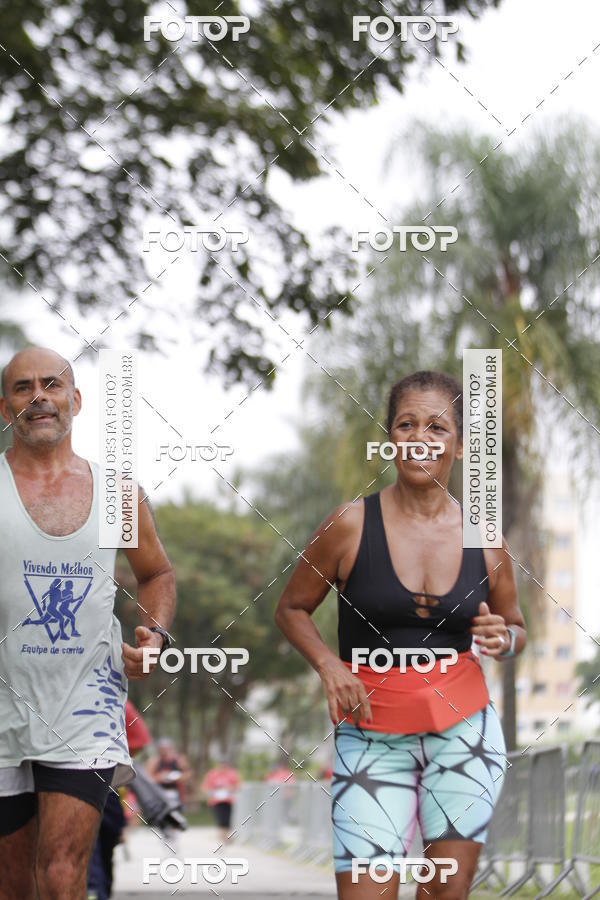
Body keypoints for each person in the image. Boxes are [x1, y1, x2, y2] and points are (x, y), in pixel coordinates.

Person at [275, 370, 527, 900]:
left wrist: (504, 639)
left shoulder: (485, 537)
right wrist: (329, 665)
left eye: (437, 427)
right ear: (389, 437)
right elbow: (292, 608)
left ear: (458, 447)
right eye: (406, 424)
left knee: (445, 893)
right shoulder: (349, 524)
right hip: (371, 731)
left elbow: (515, 626)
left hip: (465, 733)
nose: (421, 438)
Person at [0, 347, 176, 900]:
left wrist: (155, 634)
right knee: (13, 884)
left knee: (61, 874)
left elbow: (158, 573)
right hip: (4, 705)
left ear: (74, 400)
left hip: (86, 709)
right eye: (23, 387)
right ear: (5, 407)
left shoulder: (117, 493)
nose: (38, 397)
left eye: (51, 385)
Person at [87, 700, 153, 900]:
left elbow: (138, 740)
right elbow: (138, 741)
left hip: (63, 784)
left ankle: (95, 893)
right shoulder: (110, 693)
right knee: (97, 854)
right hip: (106, 787)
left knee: (89, 853)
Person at [201, 757, 241, 842]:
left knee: (227, 820)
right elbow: (205, 788)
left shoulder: (232, 774)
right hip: (216, 801)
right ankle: (223, 839)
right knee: (221, 820)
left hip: (227, 801)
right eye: (221, 764)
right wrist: (212, 791)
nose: (222, 766)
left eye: (224, 764)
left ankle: (224, 837)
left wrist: (230, 788)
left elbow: (237, 786)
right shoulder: (212, 774)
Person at [146, 737, 191, 806]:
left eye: (166, 748)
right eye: (162, 748)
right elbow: (147, 778)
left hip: (177, 793)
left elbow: (188, 774)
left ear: (171, 748)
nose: (164, 751)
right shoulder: (154, 762)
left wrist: (178, 777)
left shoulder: (179, 760)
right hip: (159, 794)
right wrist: (159, 778)